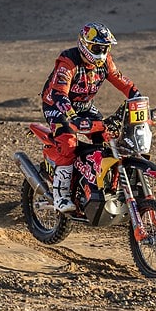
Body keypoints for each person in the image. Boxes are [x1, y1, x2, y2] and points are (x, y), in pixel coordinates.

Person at [41, 22, 141, 213]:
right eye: (97, 48)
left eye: (105, 48)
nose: (101, 53)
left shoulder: (105, 62)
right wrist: (71, 116)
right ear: (84, 45)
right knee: (68, 144)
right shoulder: (68, 61)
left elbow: (123, 82)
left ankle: (96, 183)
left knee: (108, 138)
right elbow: (59, 93)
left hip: (84, 107)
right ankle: (61, 195)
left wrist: (138, 99)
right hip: (57, 106)